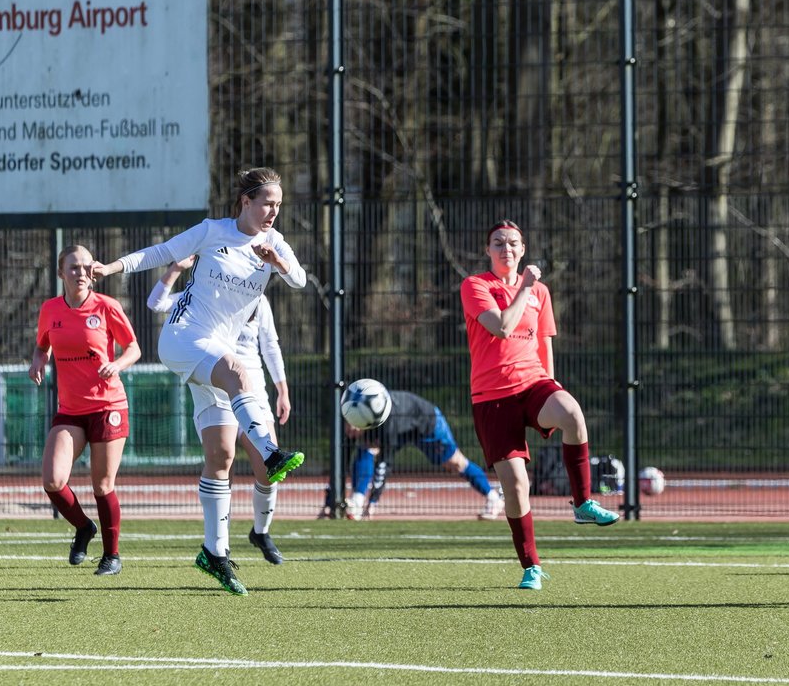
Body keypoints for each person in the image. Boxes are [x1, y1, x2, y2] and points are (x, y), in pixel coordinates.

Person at [91, 167, 307, 595]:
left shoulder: (274, 243)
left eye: (278, 205)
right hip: (184, 337)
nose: (272, 212)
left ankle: (215, 553)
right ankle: (270, 450)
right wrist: (110, 266)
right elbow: (158, 253)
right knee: (240, 373)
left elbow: (298, 279)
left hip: (214, 353)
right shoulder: (212, 231)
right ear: (245, 202)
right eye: (266, 202)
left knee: (221, 454)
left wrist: (277, 262)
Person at [460, 219, 620, 590]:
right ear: (488, 251)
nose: (506, 249)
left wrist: (552, 383)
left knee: (572, 413)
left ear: (523, 249)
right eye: (497, 243)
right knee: (517, 485)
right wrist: (524, 288)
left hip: (533, 382)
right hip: (492, 397)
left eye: (513, 243)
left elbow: (544, 340)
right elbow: (501, 326)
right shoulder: (475, 286)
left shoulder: (541, 292)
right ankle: (531, 566)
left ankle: (582, 504)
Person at [147, 255, 291, 565]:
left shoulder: (258, 300)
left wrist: (282, 389)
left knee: (268, 467)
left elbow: (270, 346)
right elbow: (157, 303)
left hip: (253, 388)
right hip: (215, 382)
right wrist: (176, 268)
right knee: (220, 457)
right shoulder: (199, 296)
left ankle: (261, 531)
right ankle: (218, 549)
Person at [29, 244, 141, 576]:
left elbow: (133, 348)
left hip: (108, 406)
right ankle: (83, 527)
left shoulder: (107, 306)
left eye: (86, 266)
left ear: (94, 271)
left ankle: (112, 556)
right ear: (61, 273)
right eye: (74, 267)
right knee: (52, 480)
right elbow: (41, 347)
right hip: (71, 409)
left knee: (102, 485)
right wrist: (38, 363)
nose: (81, 272)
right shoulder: (50, 309)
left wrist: (117, 364)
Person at [339, 389, 504, 521]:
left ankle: (493, 498)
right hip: (404, 428)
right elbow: (343, 457)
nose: (349, 427)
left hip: (426, 423)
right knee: (366, 448)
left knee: (455, 463)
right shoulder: (365, 416)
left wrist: (373, 502)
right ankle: (357, 501)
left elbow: (384, 463)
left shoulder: (388, 425)